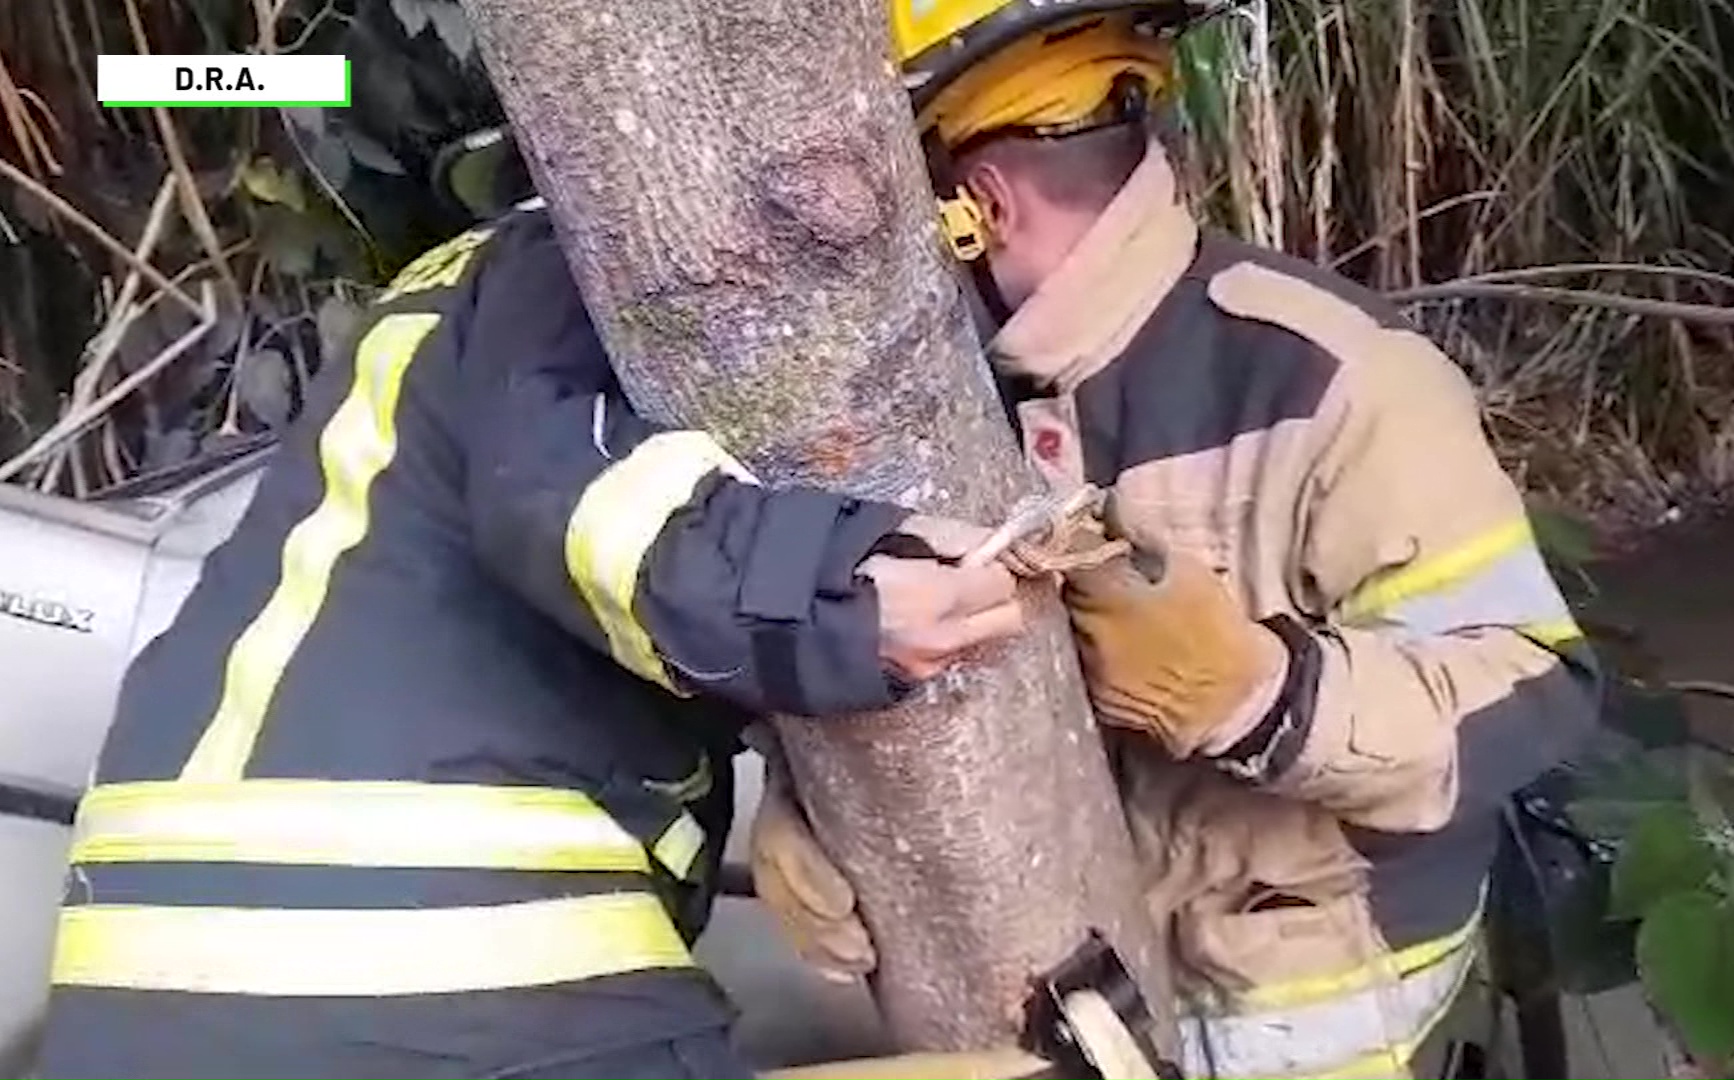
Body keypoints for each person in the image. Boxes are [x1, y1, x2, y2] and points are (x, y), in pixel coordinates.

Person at [748, 3, 1604, 1078]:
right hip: (1077, 1012)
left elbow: (1535, 694)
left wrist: (1262, 695)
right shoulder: (935, 403)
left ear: (979, 203)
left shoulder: (1334, 377)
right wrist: (809, 807)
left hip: (1312, 1027)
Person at [31, 199, 1029, 1080]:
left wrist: (782, 755)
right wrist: (836, 601)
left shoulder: (453, 304)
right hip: (412, 946)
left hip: (144, 981)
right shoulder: (579, 261)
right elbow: (562, 502)